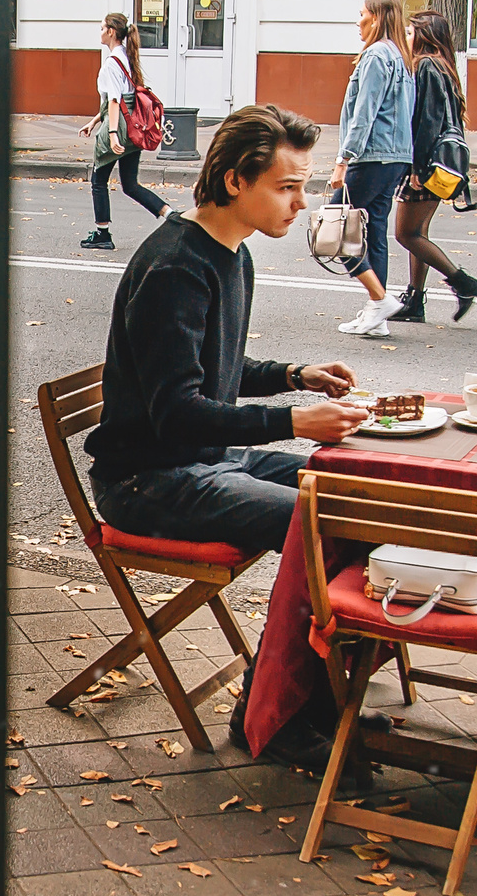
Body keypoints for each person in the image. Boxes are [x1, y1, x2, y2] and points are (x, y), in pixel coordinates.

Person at [88, 104, 364, 557]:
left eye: (304, 187)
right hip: (147, 480)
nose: (301, 202)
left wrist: (296, 375)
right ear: (236, 180)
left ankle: (346, 624)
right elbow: (178, 413)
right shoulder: (175, 268)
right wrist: (295, 421)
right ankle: (315, 629)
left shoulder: (232, 251)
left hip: (209, 458)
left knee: (359, 492)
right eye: (287, 187)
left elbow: (215, 366)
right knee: (328, 520)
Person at [385, 9, 477, 324]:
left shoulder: (427, 66)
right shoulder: (444, 66)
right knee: (418, 231)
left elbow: (427, 121)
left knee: (405, 233)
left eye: (411, 32)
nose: (407, 37)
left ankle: (462, 282)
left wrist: (415, 167)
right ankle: (415, 299)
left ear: (425, 36)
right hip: (441, 164)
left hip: (426, 164)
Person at [331, 0, 416, 338]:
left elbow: (364, 112)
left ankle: (379, 299)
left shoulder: (377, 56)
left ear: (377, 18)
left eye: (363, 14)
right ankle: (376, 318)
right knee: (374, 232)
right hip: (395, 156)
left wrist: (343, 160)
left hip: (372, 155)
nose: (358, 21)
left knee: (335, 232)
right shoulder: (400, 56)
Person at [80, 12, 168, 249]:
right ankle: (170, 215)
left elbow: (115, 101)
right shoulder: (126, 58)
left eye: (101, 28)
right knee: (130, 185)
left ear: (111, 32)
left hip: (118, 130)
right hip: (133, 130)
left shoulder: (111, 63)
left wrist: (110, 134)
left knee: (98, 180)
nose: (99, 32)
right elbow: (123, 99)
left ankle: (103, 234)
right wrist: (94, 121)